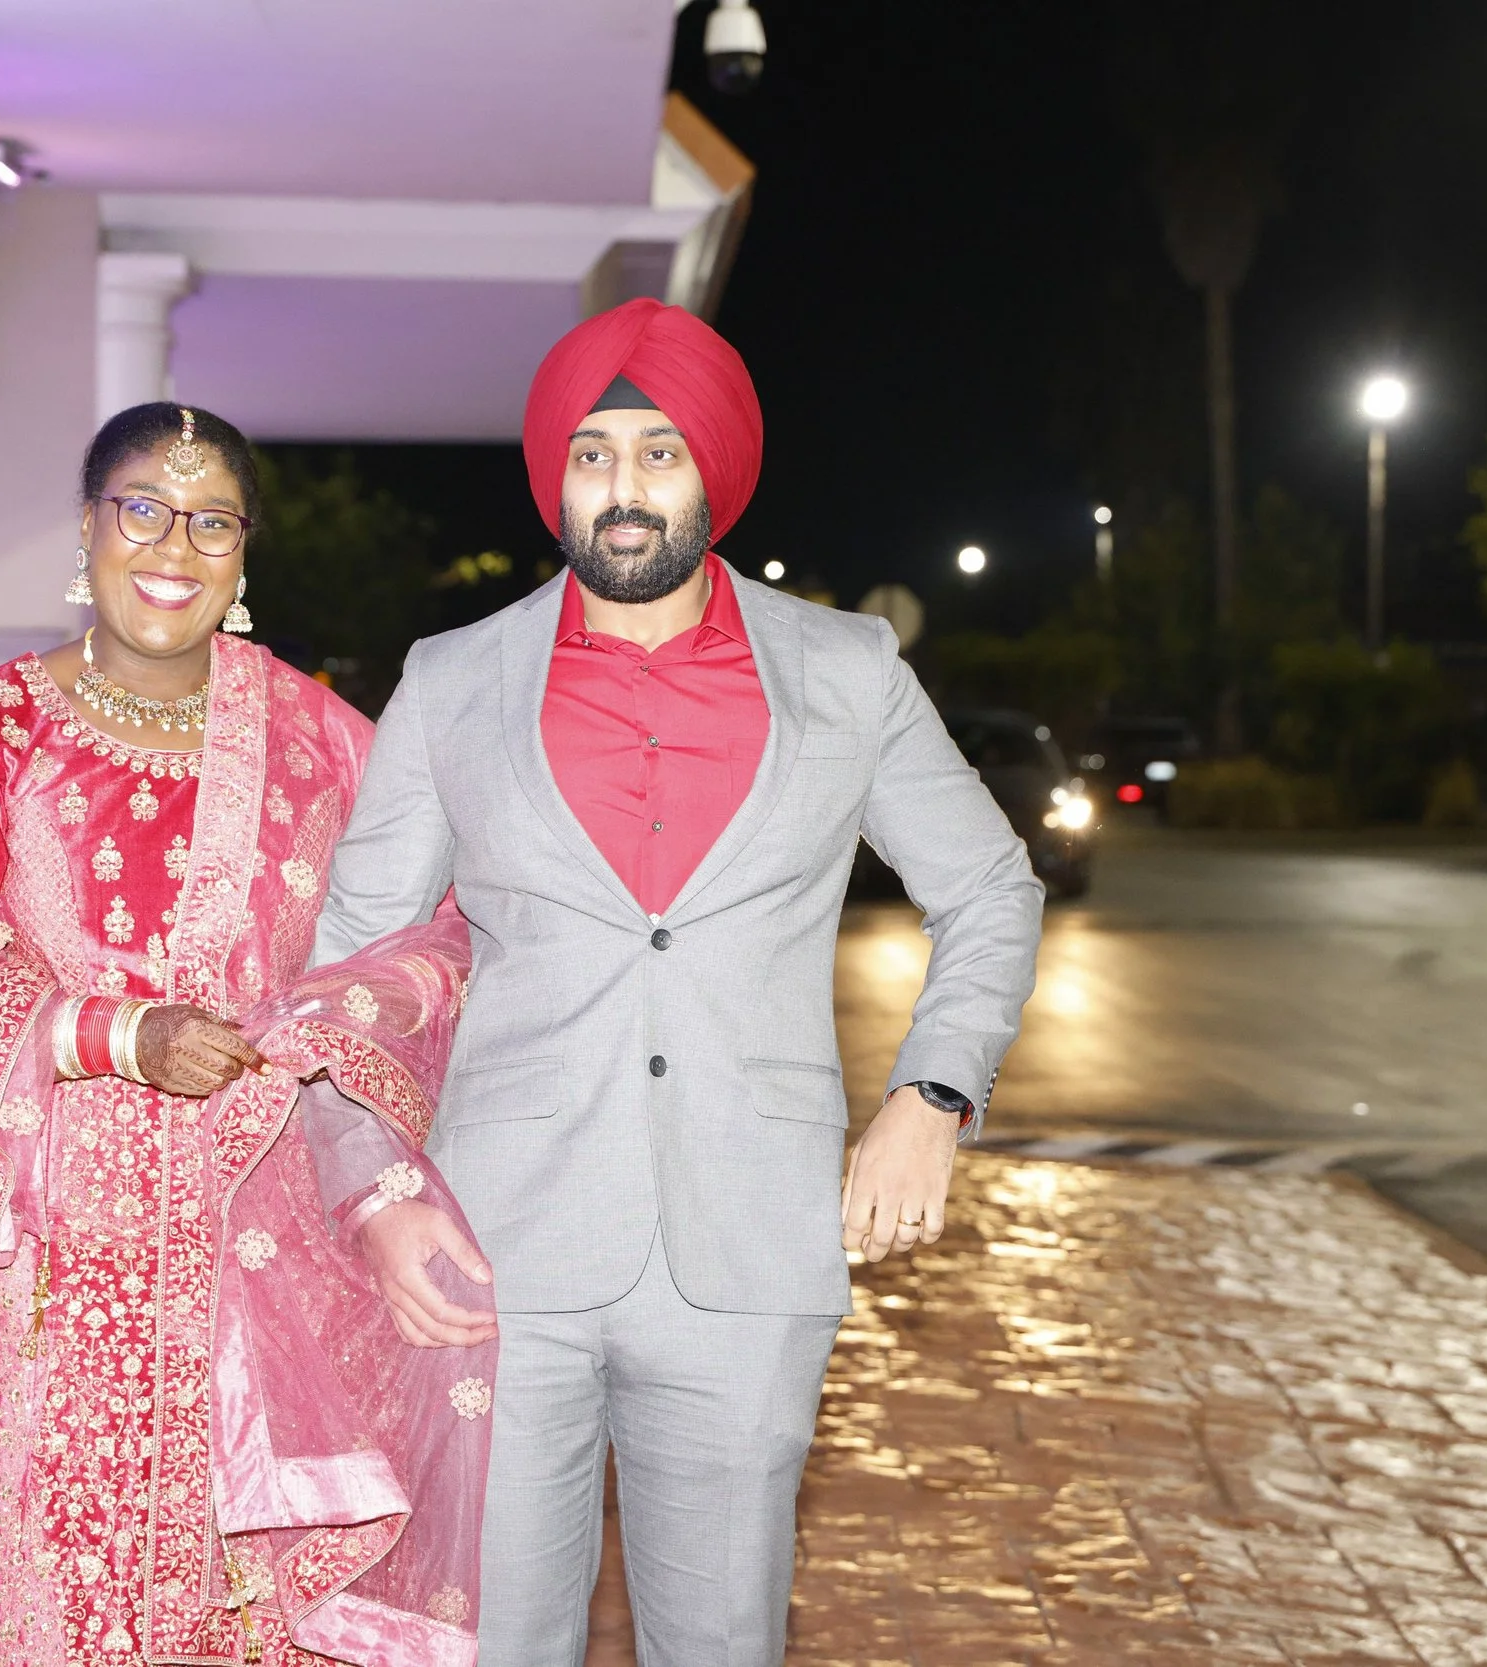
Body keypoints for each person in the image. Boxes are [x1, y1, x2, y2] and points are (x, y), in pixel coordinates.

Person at [312, 299, 1046, 1666]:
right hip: (495, 1249)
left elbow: (991, 888)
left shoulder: (847, 672)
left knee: (719, 1637)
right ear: (556, 479)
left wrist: (930, 1094)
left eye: (658, 452)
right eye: (592, 455)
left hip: (752, 1243)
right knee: (497, 1640)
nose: (625, 489)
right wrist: (373, 1189)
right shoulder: (455, 681)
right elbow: (344, 964)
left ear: (711, 466)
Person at [0, 402, 497, 1667]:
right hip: (45, 1262)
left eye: (210, 519)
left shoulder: (322, 739)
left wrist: (327, 1035)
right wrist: (105, 1030)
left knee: (232, 1606)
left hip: (265, 1240)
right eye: (140, 506)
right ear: (86, 530)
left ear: (243, 555)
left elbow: (434, 934)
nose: (172, 543)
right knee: (48, 1589)